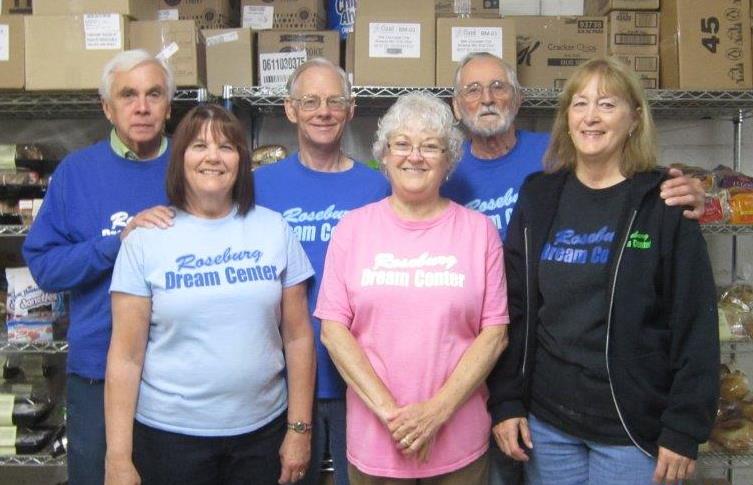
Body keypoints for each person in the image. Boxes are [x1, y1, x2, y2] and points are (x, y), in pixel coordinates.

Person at [441, 52, 707, 485]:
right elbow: (518, 305)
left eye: (607, 104)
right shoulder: (540, 194)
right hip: (548, 425)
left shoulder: (662, 203)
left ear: (634, 117)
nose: (591, 117)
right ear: (566, 118)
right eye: (580, 104)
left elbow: (693, 322)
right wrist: (507, 401)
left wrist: (684, 426)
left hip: (630, 426)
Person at [104, 104, 316, 485]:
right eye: (199, 146)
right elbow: (125, 357)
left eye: (227, 147)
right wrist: (118, 457)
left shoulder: (274, 230)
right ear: (180, 158)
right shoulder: (146, 240)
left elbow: (299, 338)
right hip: (170, 440)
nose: (213, 157)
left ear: (241, 160)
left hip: (261, 434)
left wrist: (299, 429)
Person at [315, 93, 510, 484]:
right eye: (401, 144)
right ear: (384, 156)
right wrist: (393, 415)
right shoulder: (353, 230)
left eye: (430, 146)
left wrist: (436, 412)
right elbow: (334, 332)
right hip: (376, 442)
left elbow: (495, 335)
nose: (414, 156)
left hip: (458, 442)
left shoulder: (479, 232)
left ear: (449, 159)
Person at [22, 49, 175, 485]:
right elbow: (46, 267)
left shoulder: (194, 165)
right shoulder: (76, 172)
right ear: (107, 108)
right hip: (96, 372)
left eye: (154, 94)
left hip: (178, 375)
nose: (142, 106)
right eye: (128, 95)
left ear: (168, 105)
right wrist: (117, 244)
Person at [254, 58, 390, 485]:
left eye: (335, 100)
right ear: (290, 109)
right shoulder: (259, 187)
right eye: (309, 101)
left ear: (351, 109)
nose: (323, 111)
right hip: (281, 383)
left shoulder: (378, 187)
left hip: (363, 381)